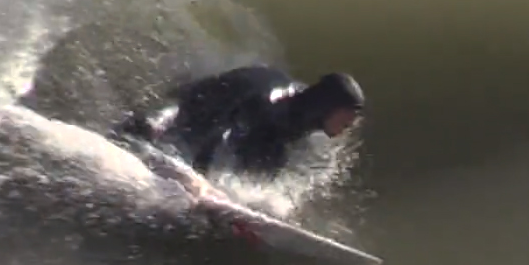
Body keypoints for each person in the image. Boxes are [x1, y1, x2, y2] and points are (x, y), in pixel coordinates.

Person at [111, 65, 366, 180]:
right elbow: (220, 131)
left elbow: (269, 158)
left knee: (266, 159)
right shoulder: (271, 104)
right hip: (194, 102)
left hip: (244, 120)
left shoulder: (305, 115)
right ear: (328, 106)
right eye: (346, 121)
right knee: (151, 125)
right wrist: (198, 176)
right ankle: (115, 142)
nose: (347, 129)